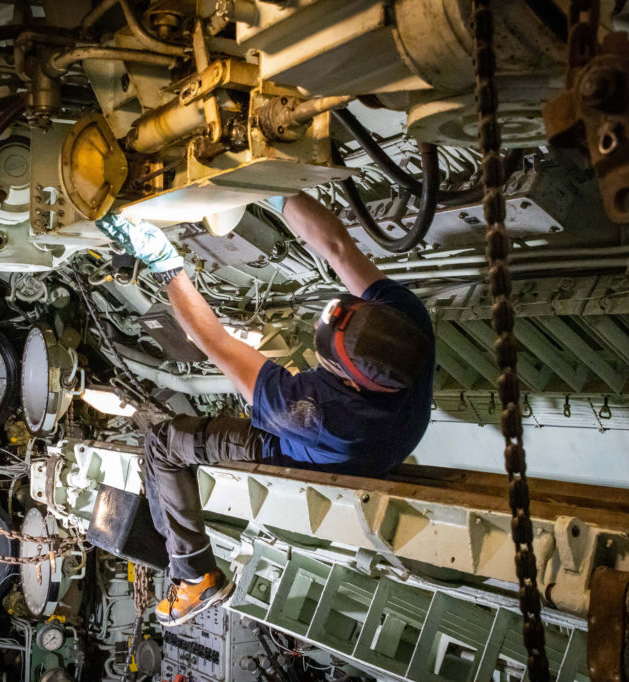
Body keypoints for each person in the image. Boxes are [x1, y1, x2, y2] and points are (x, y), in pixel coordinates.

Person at [95, 192, 435, 627]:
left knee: (164, 442)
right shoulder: (407, 319)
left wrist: (166, 265)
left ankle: (194, 576)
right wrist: (282, 191)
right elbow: (337, 246)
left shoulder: (313, 414)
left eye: (323, 352)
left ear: (348, 381)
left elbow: (215, 343)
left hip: (314, 455)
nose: (316, 324)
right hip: (394, 433)